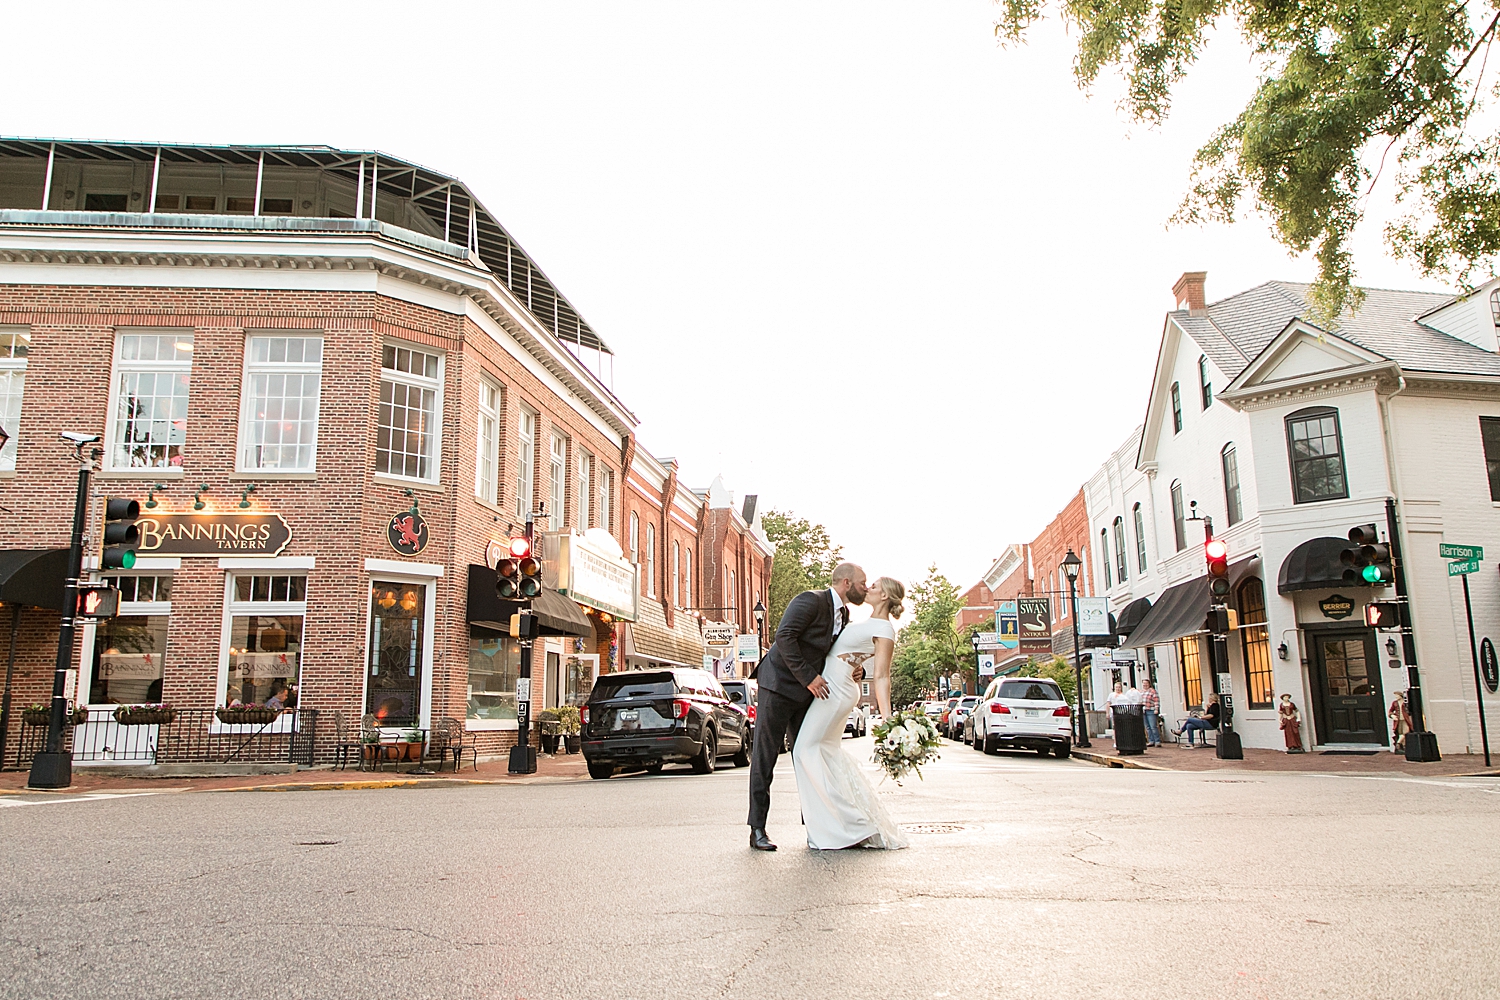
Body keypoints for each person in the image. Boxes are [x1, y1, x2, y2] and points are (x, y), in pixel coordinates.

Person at [747, 562, 867, 852]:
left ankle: (817, 826)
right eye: (863, 582)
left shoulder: (845, 614)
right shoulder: (810, 600)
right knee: (765, 758)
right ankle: (757, 829)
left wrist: (853, 668)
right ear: (847, 583)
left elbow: (831, 652)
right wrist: (809, 677)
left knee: (807, 755)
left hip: (806, 693)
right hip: (777, 686)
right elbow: (784, 637)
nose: (867, 586)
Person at [792, 576, 909, 850]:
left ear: (884, 597)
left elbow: (881, 677)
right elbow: (852, 655)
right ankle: (842, 824)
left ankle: (849, 824)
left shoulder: (885, 630)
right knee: (826, 753)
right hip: (836, 685)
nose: (869, 588)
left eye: (875, 586)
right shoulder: (866, 623)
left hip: (836, 692)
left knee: (803, 750)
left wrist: (888, 718)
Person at [1140, 678, 1161, 746]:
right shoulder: (1141, 692)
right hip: (1144, 711)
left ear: (1149, 684)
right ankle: (1151, 741)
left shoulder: (1153, 691)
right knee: (1147, 727)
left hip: (1151, 710)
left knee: (1153, 726)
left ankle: (1157, 741)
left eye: (1146, 683)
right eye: (1144, 683)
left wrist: (1156, 709)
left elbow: (1156, 701)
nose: (1145, 685)